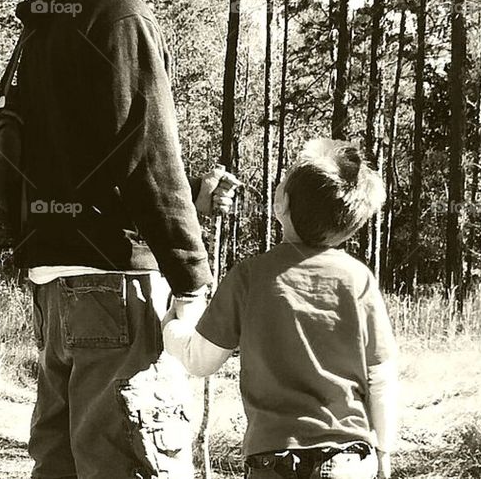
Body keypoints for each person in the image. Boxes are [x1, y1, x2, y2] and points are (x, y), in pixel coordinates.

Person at [16, 0, 238, 479]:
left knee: (62, 463)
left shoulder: (48, 12)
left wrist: (187, 200)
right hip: (115, 281)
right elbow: (146, 155)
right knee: (130, 461)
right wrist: (192, 276)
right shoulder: (122, 14)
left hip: (56, 281)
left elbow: (78, 151)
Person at [163, 139, 399, 479]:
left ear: (281, 203)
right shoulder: (357, 279)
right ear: (350, 225)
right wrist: (383, 452)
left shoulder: (250, 276)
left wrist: (172, 324)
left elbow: (200, 360)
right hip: (348, 460)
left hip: (272, 461)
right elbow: (381, 377)